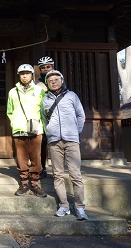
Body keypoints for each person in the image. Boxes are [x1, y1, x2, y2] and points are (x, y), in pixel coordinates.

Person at [41, 70, 88, 220]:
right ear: (47, 83)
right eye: (50, 80)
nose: (53, 82)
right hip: (54, 141)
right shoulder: (45, 100)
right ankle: (64, 205)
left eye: (56, 79)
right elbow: (43, 119)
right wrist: (49, 132)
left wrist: (76, 131)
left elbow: (81, 115)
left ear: (62, 80)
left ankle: (80, 207)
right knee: (58, 175)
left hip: (71, 140)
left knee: (75, 175)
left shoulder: (72, 96)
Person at [6, 64, 47, 197]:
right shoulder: (13, 92)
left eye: (27, 73)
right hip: (19, 128)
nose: (24, 75)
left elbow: (43, 111)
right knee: (22, 158)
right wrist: (14, 123)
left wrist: (42, 127)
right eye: (22, 73)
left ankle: (34, 183)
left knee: (36, 157)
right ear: (19, 75)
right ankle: (24, 183)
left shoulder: (39, 91)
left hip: (36, 129)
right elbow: (10, 111)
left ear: (32, 75)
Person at [35, 56, 55, 179]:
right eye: (43, 67)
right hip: (42, 117)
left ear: (52, 67)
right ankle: (41, 168)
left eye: (48, 66)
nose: (46, 69)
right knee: (42, 144)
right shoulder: (37, 84)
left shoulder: (58, 80)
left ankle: (58, 170)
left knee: (56, 145)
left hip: (56, 117)